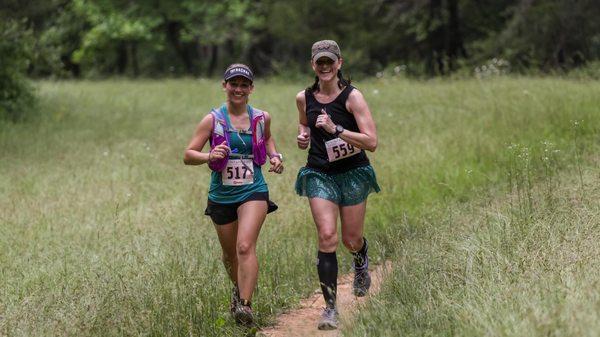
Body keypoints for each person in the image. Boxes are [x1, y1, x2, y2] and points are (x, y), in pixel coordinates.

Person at [184, 63, 284, 326]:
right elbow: (188, 154)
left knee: (244, 246)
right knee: (229, 255)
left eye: (244, 84)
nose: (238, 89)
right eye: (234, 84)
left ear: (251, 88)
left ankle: (246, 307)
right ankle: (238, 291)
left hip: (254, 190)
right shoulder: (213, 120)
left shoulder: (261, 117)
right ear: (224, 85)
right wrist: (209, 155)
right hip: (222, 194)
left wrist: (274, 156)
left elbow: (269, 138)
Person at [295, 40, 380, 330]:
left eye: (330, 61)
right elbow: (303, 124)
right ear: (313, 65)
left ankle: (360, 257)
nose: (325, 67)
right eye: (320, 62)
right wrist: (303, 135)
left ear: (340, 63)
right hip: (320, 173)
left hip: (353, 173)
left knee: (350, 239)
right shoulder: (303, 98)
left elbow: (372, 141)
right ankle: (330, 308)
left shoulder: (353, 97)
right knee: (328, 236)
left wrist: (337, 130)